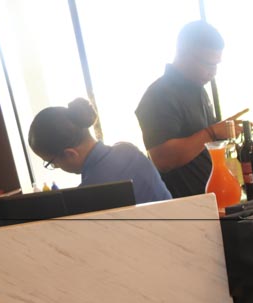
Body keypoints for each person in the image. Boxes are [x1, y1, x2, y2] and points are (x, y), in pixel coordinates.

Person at [135, 20, 237, 199]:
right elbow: (163, 160)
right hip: (185, 205)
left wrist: (222, 132)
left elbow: (203, 145)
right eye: (208, 64)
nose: (213, 72)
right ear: (183, 53)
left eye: (216, 65)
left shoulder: (198, 89)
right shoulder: (159, 95)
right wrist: (212, 132)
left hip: (210, 198)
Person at [28, 98, 172, 204]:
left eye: (53, 163)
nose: (56, 167)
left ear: (70, 153)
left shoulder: (88, 194)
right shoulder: (129, 150)